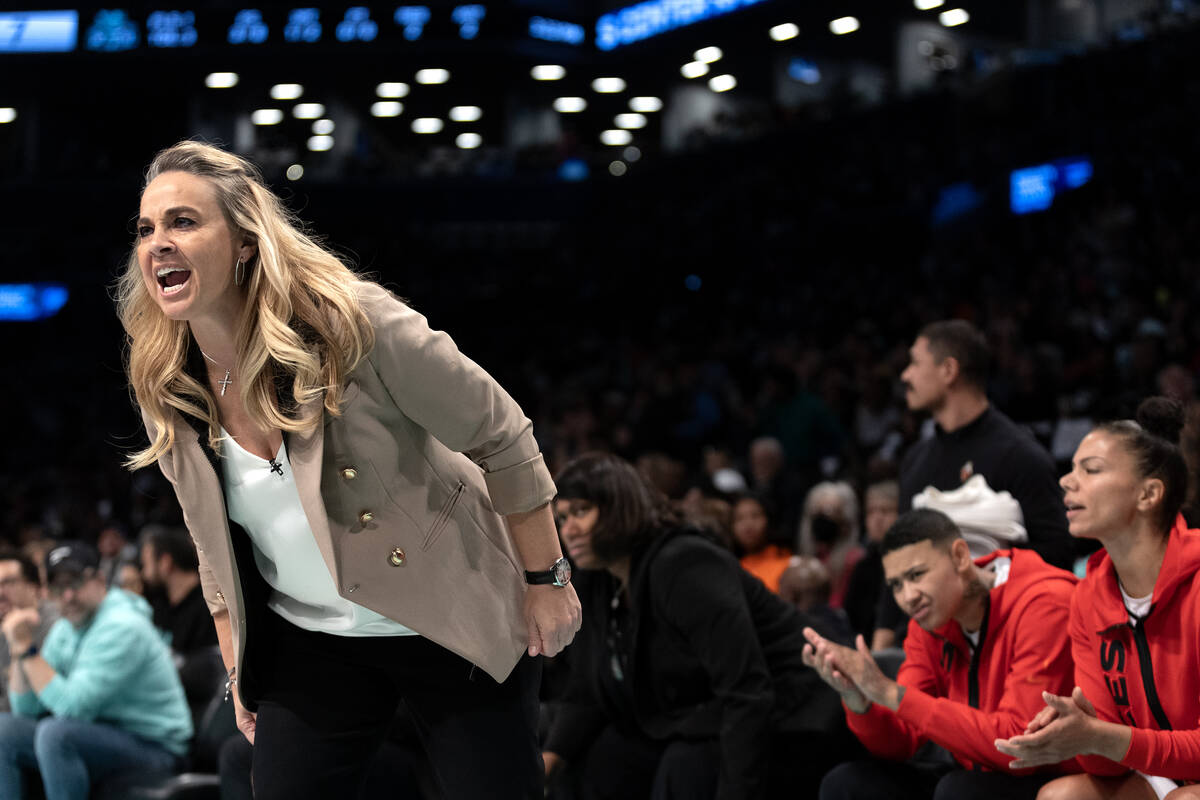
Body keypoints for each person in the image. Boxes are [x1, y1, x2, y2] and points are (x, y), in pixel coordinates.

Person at [115, 140, 581, 800]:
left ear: (246, 241)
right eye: (146, 228)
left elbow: (499, 431)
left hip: (447, 611)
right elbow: (210, 541)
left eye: (183, 222)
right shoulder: (166, 380)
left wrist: (547, 576)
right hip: (314, 640)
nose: (158, 241)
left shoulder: (350, 321)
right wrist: (236, 662)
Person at [544, 452, 850, 800]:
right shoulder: (598, 583)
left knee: (686, 764)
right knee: (606, 755)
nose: (568, 529)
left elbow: (747, 691)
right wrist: (548, 761)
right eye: (562, 517)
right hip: (706, 720)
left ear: (619, 506)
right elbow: (587, 690)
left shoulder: (684, 564)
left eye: (581, 511)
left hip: (797, 717)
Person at [995, 398, 1200, 799]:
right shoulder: (1089, 597)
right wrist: (1079, 733)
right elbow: (1108, 763)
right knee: (1059, 796)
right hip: (1164, 773)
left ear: (1148, 494)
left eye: (1091, 470)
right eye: (1071, 469)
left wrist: (1103, 736)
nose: (1066, 481)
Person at [805, 509, 1080, 800]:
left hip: (1044, 775)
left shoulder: (1045, 603)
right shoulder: (927, 624)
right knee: (847, 783)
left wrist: (890, 693)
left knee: (958, 791)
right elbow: (903, 740)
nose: (908, 596)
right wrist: (857, 701)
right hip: (974, 774)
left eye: (916, 575)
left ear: (960, 556)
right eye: (896, 585)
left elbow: (1021, 745)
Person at [875, 320, 1073, 648]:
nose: (905, 375)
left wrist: (985, 585)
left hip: (1003, 640)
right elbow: (897, 560)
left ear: (948, 370)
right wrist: (880, 651)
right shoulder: (914, 460)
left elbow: (1056, 558)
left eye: (915, 363)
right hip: (925, 646)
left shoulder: (1020, 455)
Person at [0, 541, 192, 799]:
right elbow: (25, 709)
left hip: (157, 747)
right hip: (101, 734)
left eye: (75, 582)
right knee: (5, 730)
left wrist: (27, 648)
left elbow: (72, 708)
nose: (67, 595)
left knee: (56, 734)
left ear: (100, 580)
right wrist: (17, 647)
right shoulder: (65, 629)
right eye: (58, 588)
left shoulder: (123, 626)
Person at [139, 524, 218, 657]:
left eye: (146, 564)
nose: (143, 573)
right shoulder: (160, 605)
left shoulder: (209, 606)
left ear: (165, 562)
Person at [0, 551, 58, 712]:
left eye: (8, 583)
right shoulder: (4, 626)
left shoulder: (55, 624)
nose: (0, 593)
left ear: (33, 587)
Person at [796, 481, 865, 610]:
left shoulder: (855, 561)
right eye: (818, 512)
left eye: (831, 512)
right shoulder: (804, 559)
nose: (823, 519)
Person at [731, 494, 792, 592]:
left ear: (769, 519)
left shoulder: (789, 563)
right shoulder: (731, 567)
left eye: (755, 516)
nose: (748, 525)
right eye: (739, 518)